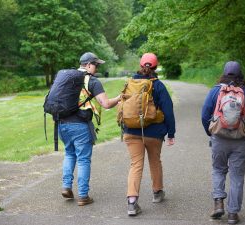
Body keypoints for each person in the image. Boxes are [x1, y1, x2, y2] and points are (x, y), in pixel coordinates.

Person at [201, 61, 245, 224]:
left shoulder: (215, 91)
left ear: (224, 73)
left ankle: (218, 202)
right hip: (240, 141)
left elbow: (204, 114)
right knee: (237, 177)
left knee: (218, 170)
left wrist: (212, 133)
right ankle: (233, 214)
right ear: (240, 74)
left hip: (219, 138)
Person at [59, 52, 121, 206]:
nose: (97, 67)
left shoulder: (66, 78)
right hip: (79, 126)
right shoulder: (92, 81)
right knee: (83, 159)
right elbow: (105, 104)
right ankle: (83, 196)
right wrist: (120, 98)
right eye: (95, 64)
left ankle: (66, 187)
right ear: (87, 65)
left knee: (69, 153)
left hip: (62, 124)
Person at [123, 53, 176, 216]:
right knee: (155, 161)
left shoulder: (130, 83)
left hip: (131, 131)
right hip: (154, 132)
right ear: (155, 67)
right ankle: (157, 193)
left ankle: (132, 203)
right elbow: (168, 109)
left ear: (141, 65)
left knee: (135, 165)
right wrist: (171, 133)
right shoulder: (158, 85)